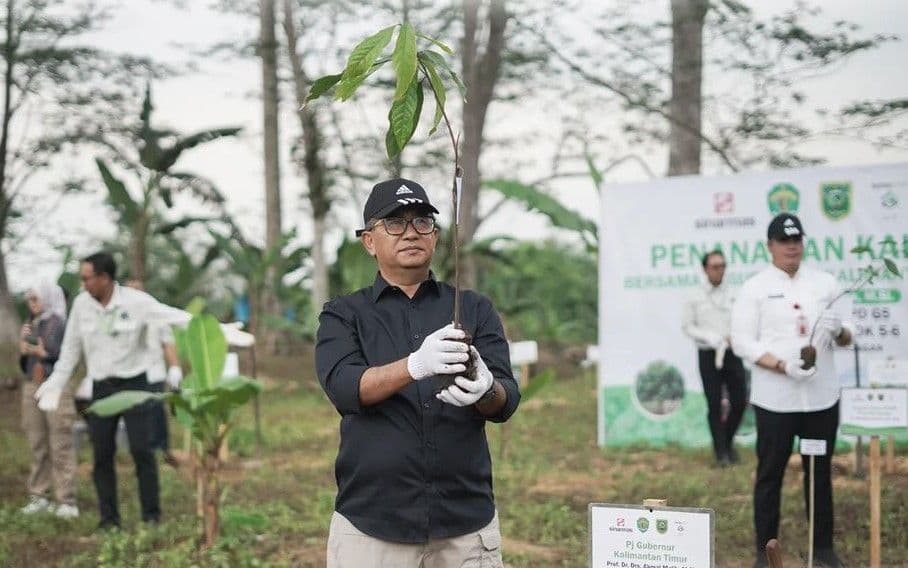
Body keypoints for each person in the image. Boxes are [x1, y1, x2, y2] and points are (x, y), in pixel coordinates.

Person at [316, 178, 520, 567]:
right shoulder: (344, 314)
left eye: (422, 222)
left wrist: (487, 388)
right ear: (369, 241)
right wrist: (415, 365)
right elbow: (344, 388)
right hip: (373, 524)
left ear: (436, 236)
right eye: (394, 223)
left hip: (464, 523)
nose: (411, 232)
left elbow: (506, 400)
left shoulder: (472, 308)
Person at [34, 252, 251, 529]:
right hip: (102, 387)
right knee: (102, 455)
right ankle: (108, 520)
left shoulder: (136, 302)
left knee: (142, 452)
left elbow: (173, 316)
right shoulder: (81, 305)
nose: (83, 284)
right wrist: (55, 383)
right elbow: (70, 351)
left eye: (87, 278)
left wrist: (218, 330)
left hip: (135, 385)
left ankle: (151, 516)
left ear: (104, 278)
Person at [731, 213, 851, 568]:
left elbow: (848, 336)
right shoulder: (754, 287)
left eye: (796, 240)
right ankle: (764, 551)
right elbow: (741, 341)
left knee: (819, 472)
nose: (791, 246)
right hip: (775, 401)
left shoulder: (825, 283)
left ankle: (823, 550)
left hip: (820, 398)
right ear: (770, 246)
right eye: (784, 241)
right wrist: (782, 365)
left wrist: (839, 330)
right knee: (770, 473)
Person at [18, 282, 79, 518]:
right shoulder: (31, 325)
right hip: (32, 385)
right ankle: (39, 494)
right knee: (37, 441)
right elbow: (24, 364)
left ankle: (66, 499)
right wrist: (24, 351)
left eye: (36, 298)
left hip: (56, 386)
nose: (32, 304)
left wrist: (46, 354)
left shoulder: (61, 324)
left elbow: (67, 358)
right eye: (29, 299)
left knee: (60, 441)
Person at [682, 250, 747, 467]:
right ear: (705, 269)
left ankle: (727, 442)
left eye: (723, 266)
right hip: (708, 353)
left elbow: (742, 320)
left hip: (731, 351)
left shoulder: (734, 292)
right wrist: (708, 337)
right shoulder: (694, 295)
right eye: (715, 266)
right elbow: (687, 326)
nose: (720, 270)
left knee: (740, 400)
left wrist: (733, 336)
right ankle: (721, 453)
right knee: (714, 403)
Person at [125, 279, 182, 467]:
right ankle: (141, 453)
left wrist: (174, 367)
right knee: (136, 416)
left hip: (154, 372)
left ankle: (162, 451)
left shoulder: (156, 314)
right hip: (130, 375)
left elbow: (168, 343)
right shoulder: (122, 317)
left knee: (156, 414)